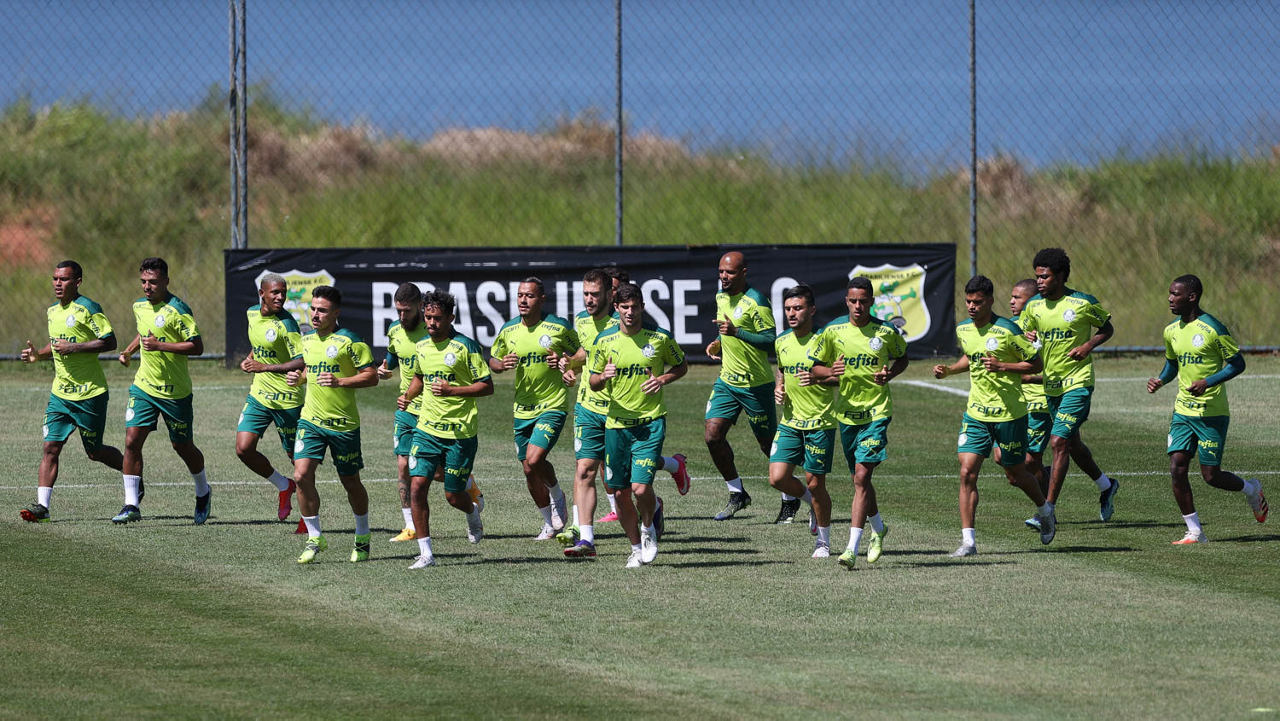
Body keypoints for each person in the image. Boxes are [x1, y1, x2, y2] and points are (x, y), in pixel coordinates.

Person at [555, 269, 690, 557]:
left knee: (627, 482)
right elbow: (586, 354)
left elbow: (658, 356)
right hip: (589, 407)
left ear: (610, 296)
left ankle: (659, 493)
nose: (589, 300)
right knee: (585, 470)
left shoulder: (629, 323)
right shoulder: (582, 320)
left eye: (595, 294)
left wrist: (660, 379)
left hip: (624, 412)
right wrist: (569, 366)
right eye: (585, 294)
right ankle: (586, 539)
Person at [932, 275, 1056, 557]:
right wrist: (950, 370)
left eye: (977, 302)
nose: (971, 307)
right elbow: (971, 356)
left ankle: (1045, 510)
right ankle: (968, 542)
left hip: (1010, 415)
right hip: (976, 413)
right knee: (967, 472)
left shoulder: (1008, 330)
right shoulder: (964, 329)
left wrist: (1003, 366)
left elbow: (1036, 363)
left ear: (989, 301)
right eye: (968, 301)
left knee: (1015, 473)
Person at [1147, 274, 1267, 543]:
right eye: (1169, 293)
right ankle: (1195, 531)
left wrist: (1207, 382)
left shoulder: (1213, 328)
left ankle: (1251, 490)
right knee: (1177, 468)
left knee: (1211, 476)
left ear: (1192, 297)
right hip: (1183, 412)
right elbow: (1172, 364)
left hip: (1212, 413)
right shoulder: (1171, 330)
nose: (1170, 299)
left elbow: (1238, 364)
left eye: (1175, 294)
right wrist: (1161, 380)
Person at [809, 277, 908, 569]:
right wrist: (831, 370)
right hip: (847, 415)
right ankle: (879, 528)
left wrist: (889, 374)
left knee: (862, 478)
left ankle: (851, 549)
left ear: (872, 302)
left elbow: (903, 358)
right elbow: (814, 367)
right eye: (853, 301)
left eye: (863, 301)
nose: (858, 306)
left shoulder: (886, 331)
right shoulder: (833, 330)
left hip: (877, 412)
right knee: (859, 480)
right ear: (846, 301)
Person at [589, 283, 688, 567]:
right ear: (616, 308)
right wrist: (603, 376)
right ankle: (634, 548)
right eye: (625, 307)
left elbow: (681, 366)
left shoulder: (659, 338)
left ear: (642, 307)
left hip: (650, 422)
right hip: (616, 426)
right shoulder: (604, 341)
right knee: (620, 493)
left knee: (641, 489)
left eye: (635, 307)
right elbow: (593, 382)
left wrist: (662, 379)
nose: (630, 312)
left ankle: (648, 530)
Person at [1019, 248, 1118, 526]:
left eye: (1045, 276)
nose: (1039, 281)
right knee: (1072, 444)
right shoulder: (1033, 306)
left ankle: (1048, 510)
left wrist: (1088, 345)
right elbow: (1025, 335)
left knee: (1058, 442)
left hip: (1078, 382)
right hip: (1051, 385)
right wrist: (1028, 336)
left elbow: (1107, 328)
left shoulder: (1083, 302)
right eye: (1037, 277)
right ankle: (1106, 485)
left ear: (1061, 276)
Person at [19, 260, 124, 523]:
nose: (57, 283)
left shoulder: (89, 308)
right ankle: (42, 508)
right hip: (61, 395)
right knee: (50, 447)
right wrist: (39, 355)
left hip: (90, 394)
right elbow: (56, 345)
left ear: (77, 282)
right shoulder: (52, 311)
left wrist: (75, 348)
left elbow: (110, 341)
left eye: (63, 279)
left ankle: (132, 472)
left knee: (95, 452)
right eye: (55, 278)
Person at [378, 282, 483, 543]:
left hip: (442, 415)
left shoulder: (447, 337)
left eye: (407, 310)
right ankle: (412, 530)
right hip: (412, 412)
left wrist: (451, 390)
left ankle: (466, 487)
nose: (402, 316)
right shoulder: (398, 332)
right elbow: (398, 361)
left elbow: (480, 378)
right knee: (406, 468)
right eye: (398, 311)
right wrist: (388, 373)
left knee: (445, 483)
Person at [285, 285, 379, 564]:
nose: (315, 315)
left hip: (343, 425)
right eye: (313, 309)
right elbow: (311, 369)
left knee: (351, 482)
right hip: (311, 421)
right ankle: (315, 538)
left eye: (322, 311)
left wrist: (341, 382)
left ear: (336, 313)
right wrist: (300, 378)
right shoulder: (307, 340)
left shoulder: (350, 340)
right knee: (301, 475)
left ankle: (362, 535)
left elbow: (371, 376)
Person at [114, 257, 210, 525]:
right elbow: (145, 333)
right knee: (132, 441)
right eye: (144, 281)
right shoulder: (139, 306)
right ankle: (131, 505)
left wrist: (160, 346)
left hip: (175, 393)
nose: (147, 287)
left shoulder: (178, 310)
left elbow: (197, 347)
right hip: (144, 387)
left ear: (166, 281)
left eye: (153, 282)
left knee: (182, 446)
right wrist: (129, 351)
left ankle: (203, 491)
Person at [400, 289, 490, 568]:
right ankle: (426, 554)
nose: (431, 323)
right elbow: (420, 376)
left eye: (437, 318)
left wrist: (453, 390)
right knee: (417, 487)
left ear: (451, 317)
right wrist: (409, 395)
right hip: (426, 428)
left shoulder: (466, 347)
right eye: (428, 317)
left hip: (460, 433)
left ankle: (472, 512)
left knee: (453, 495)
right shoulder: (422, 347)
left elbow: (486, 386)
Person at [488, 277, 580, 539]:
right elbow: (493, 360)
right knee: (529, 469)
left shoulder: (558, 327)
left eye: (529, 295)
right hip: (522, 409)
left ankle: (557, 495)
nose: (523, 300)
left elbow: (581, 354)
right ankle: (549, 523)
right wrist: (501, 364)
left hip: (552, 404)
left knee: (535, 459)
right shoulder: (509, 329)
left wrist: (565, 362)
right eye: (520, 295)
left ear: (541, 299)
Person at [705, 251, 784, 522]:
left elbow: (771, 341)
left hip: (756, 385)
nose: (724, 277)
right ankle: (737, 493)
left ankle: (790, 496)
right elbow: (725, 329)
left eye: (730, 272)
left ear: (743, 273)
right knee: (712, 436)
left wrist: (736, 332)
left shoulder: (756, 302)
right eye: (721, 272)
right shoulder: (721, 296)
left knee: (768, 445)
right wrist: (718, 342)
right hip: (728, 381)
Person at [767, 285, 837, 559]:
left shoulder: (825, 340)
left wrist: (819, 378)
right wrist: (779, 386)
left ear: (812, 310)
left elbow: (841, 377)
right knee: (777, 478)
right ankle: (810, 503)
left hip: (820, 422)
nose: (792, 313)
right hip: (790, 422)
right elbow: (782, 370)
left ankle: (823, 542)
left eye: (797, 308)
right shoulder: (782, 341)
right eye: (788, 309)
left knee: (816, 484)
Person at [235, 273, 304, 523]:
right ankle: (283, 485)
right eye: (275, 292)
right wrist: (249, 358)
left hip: (288, 400)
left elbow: (301, 360)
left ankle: (308, 518)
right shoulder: (252, 314)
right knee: (243, 449)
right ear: (261, 294)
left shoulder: (287, 324)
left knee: (298, 461)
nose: (280, 297)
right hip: (260, 396)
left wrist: (264, 367)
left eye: (283, 292)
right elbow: (260, 344)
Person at [1004, 279, 1051, 496]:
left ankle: (1047, 508)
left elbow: (1054, 371)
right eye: (1011, 296)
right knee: (1003, 459)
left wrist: (1030, 378)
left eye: (1017, 297)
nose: (1011, 301)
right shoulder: (1011, 327)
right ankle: (1046, 478)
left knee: (1030, 461)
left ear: (1032, 301)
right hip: (1015, 403)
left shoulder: (1045, 327)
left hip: (1040, 403)